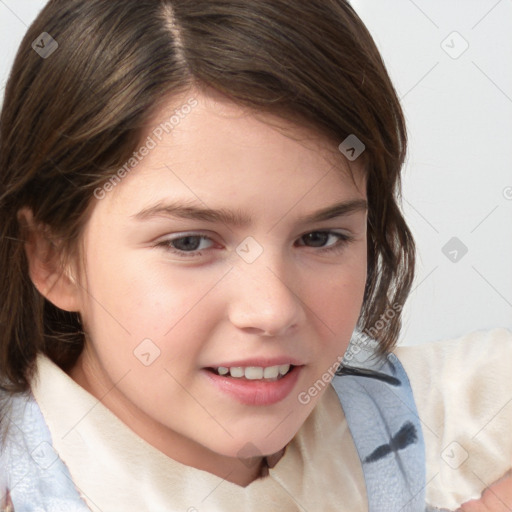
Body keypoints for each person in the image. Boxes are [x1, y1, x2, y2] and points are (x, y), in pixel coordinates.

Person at [0, 1, 510, 511]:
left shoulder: (437, 422)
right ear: (51, 257)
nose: (273, 310)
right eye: (190, 243)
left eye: (320, 237)